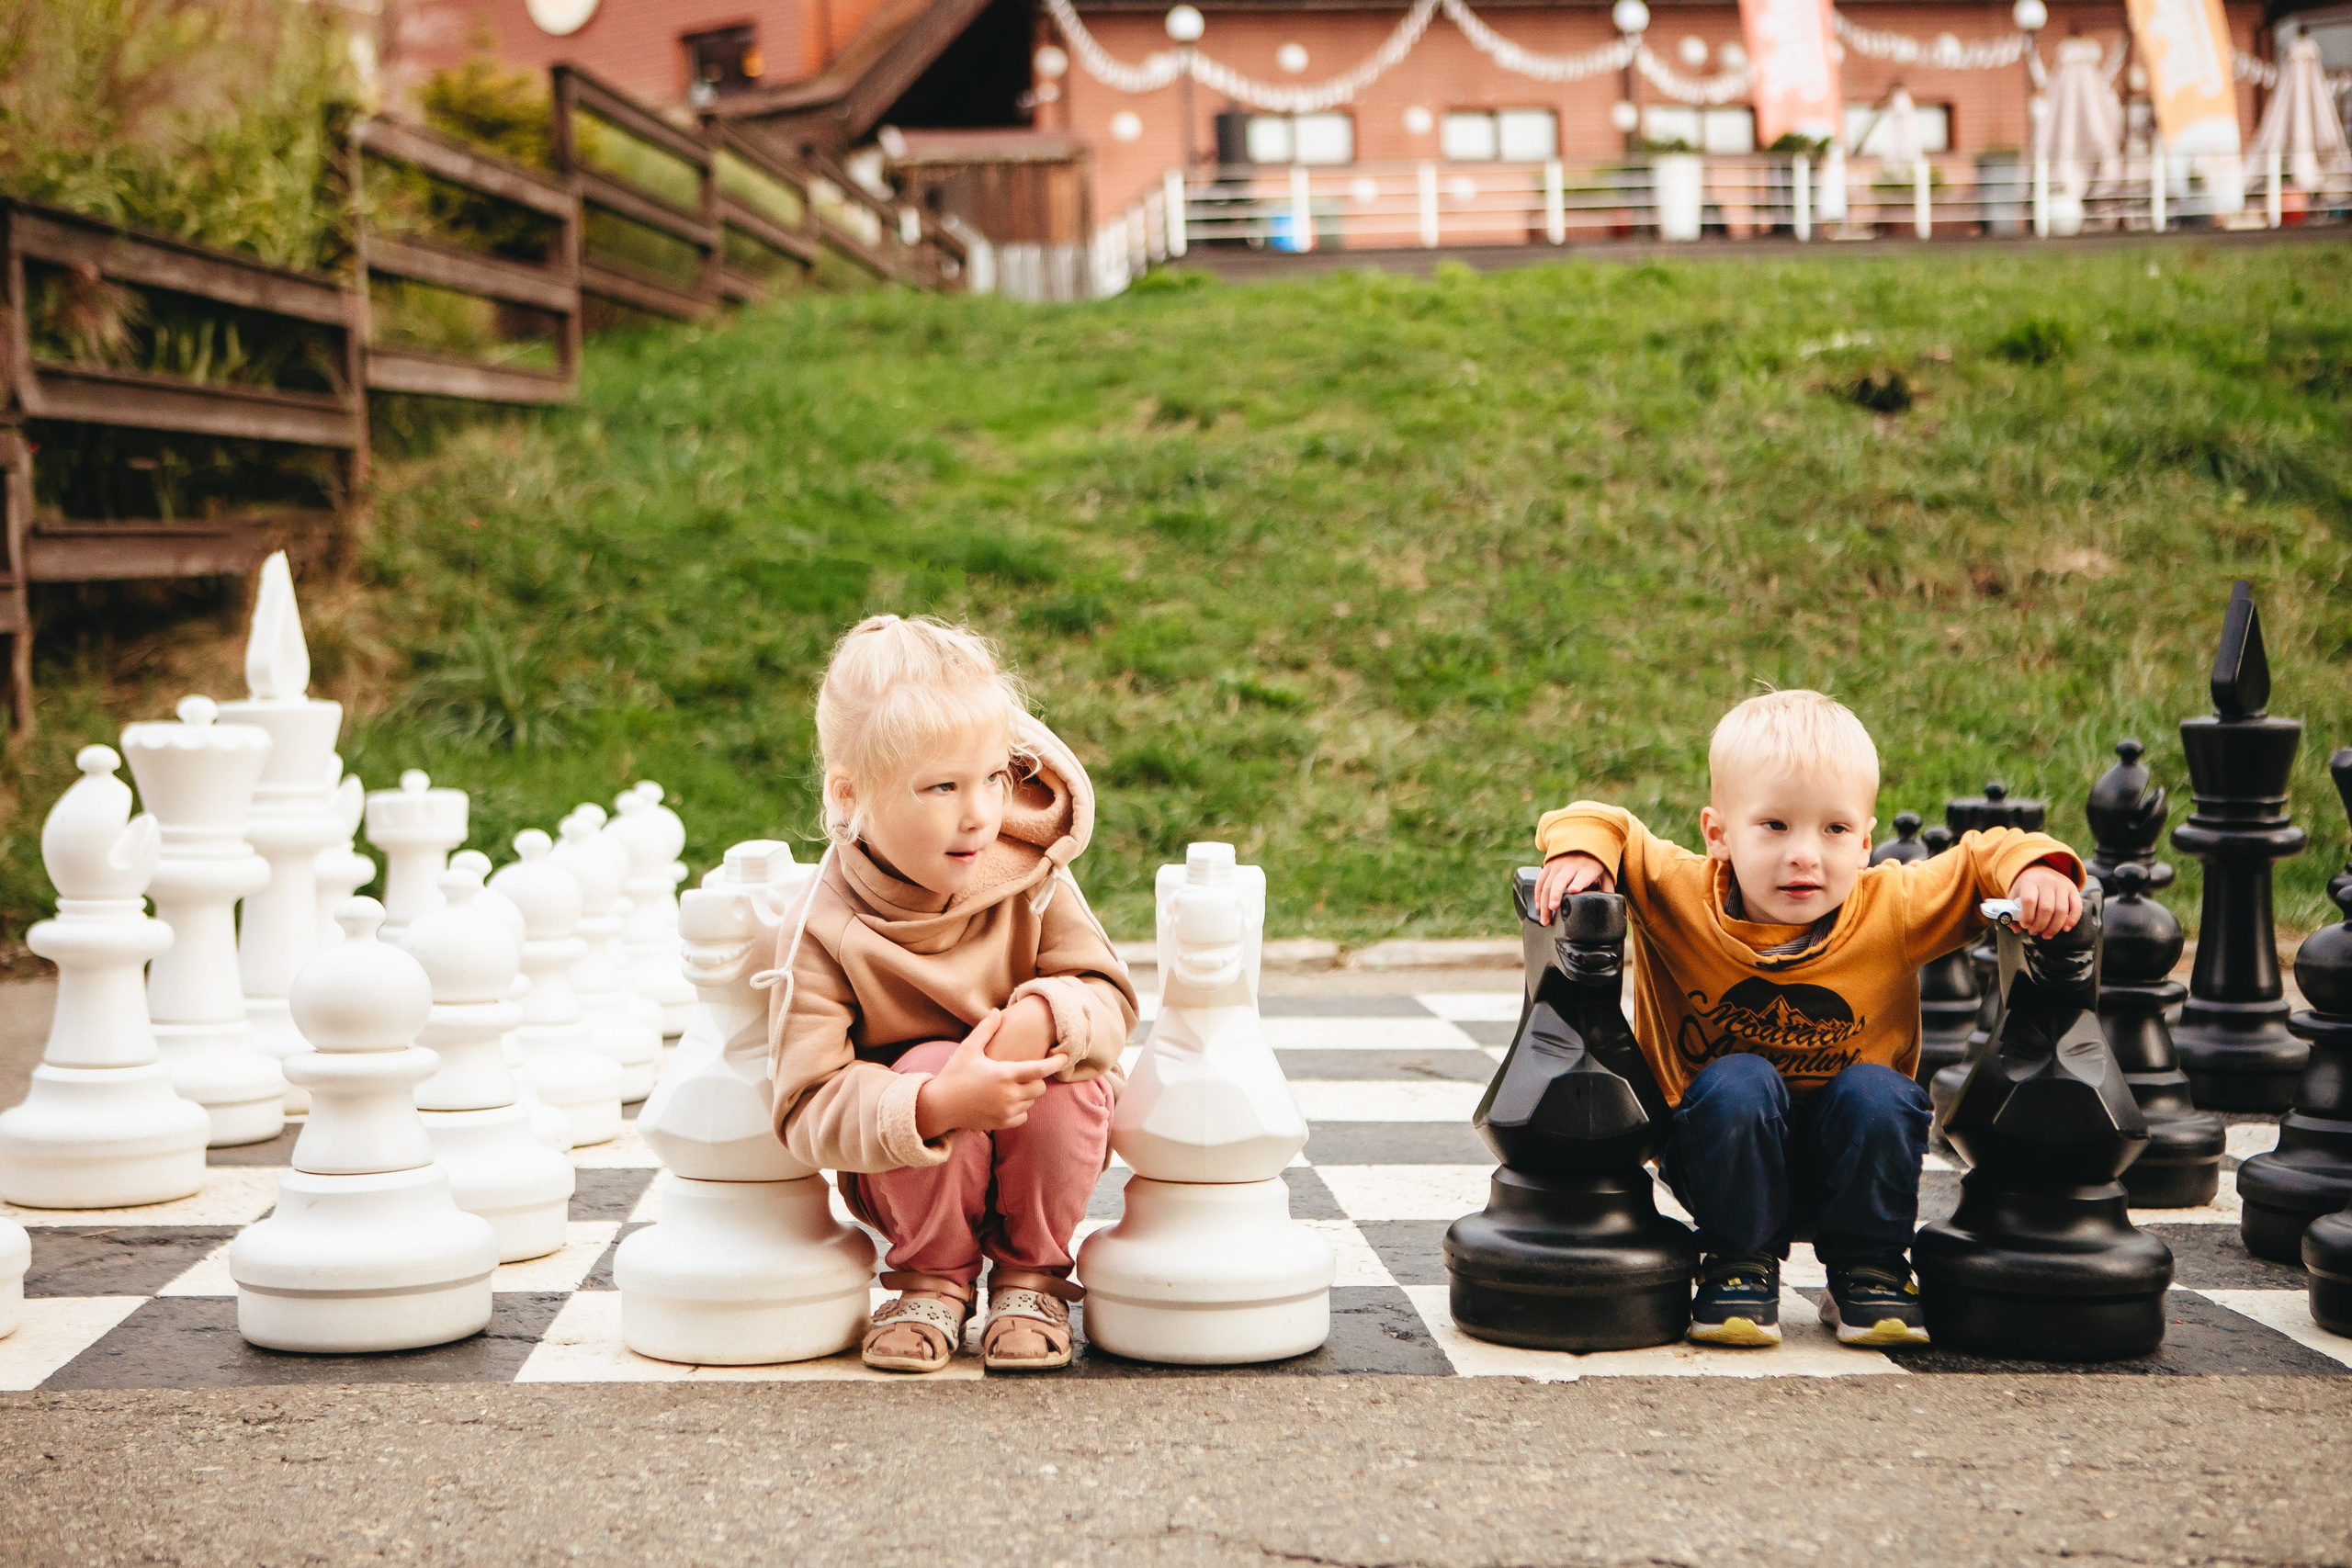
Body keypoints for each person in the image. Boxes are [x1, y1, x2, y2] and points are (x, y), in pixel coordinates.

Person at [1532, 690, 2082, 1348]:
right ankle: (1736, 1262)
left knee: (1878, 1092)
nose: (1805, 854)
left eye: (1835, 830)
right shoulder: (1679, 894)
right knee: (1739, 1080)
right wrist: (1583, 854)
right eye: (1774, 825)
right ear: (1718, 834)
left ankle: (1870, 1266)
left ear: (1866, 842)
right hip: (1717, 1155)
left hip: (1853, 1164)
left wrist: (2038, 870)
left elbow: (1981, 857)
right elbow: (1602, 819)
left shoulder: (1891, 907)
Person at [763, 615, 1137, 1372]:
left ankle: (1032, 1276)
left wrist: (1045, 1015)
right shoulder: (825, 923)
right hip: (913, 1166)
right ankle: (931, 1278)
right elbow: (804, 1105)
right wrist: (935, 1103)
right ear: (850, 793)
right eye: (943, 786)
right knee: (929, 1060)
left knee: (1073, 1079)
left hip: (1037, 1129)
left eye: (995, 777)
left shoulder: (1030, 875)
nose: (981, 814)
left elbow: (1110, 997)